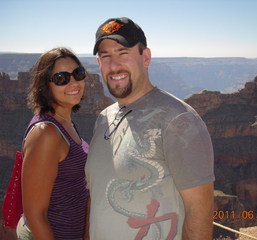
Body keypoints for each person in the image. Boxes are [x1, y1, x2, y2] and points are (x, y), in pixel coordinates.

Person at [85, 17, 215, 240]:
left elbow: (199, 209)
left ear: (146, 57)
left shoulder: (179, 120)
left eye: (123, 53)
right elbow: (96, 195)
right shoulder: (104, 119)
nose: (114, 65)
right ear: (99, 64)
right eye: (106, 57)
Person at [16, 47, 89, 240]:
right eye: (61, 78)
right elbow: (34, 214)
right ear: (45, 85)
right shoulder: (47, 133)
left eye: (78, 74)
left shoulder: (66, 121)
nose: (73, 82)